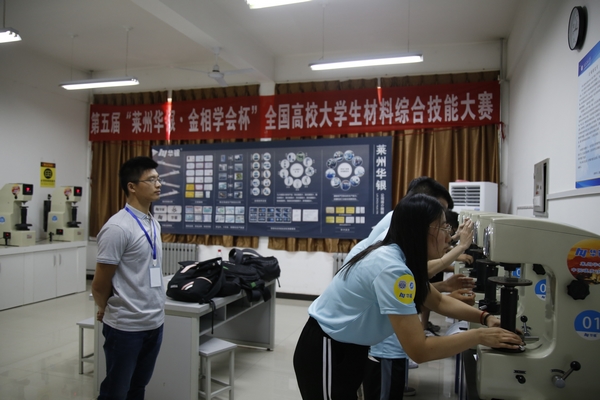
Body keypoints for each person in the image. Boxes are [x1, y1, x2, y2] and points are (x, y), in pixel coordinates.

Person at [293, 194, 522, 400]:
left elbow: (438, 301)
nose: (448, 236)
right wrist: (479, 336)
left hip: (351, 347)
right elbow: (419, 350)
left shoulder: (401, 258)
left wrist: (485, 318)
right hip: (327, 348)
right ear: (422, 230)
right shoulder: (391, 268)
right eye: (443, 227)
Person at [92, 156, 165, 400]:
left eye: (158, 179)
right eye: (151, 180)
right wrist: (105, 308)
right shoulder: (118, 228)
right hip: (126, 327)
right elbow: (100, 283)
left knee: (138, 388)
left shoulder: (153, 222)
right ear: (132, 186)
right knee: (116, 391)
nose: (158, 184)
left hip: (154, 322)